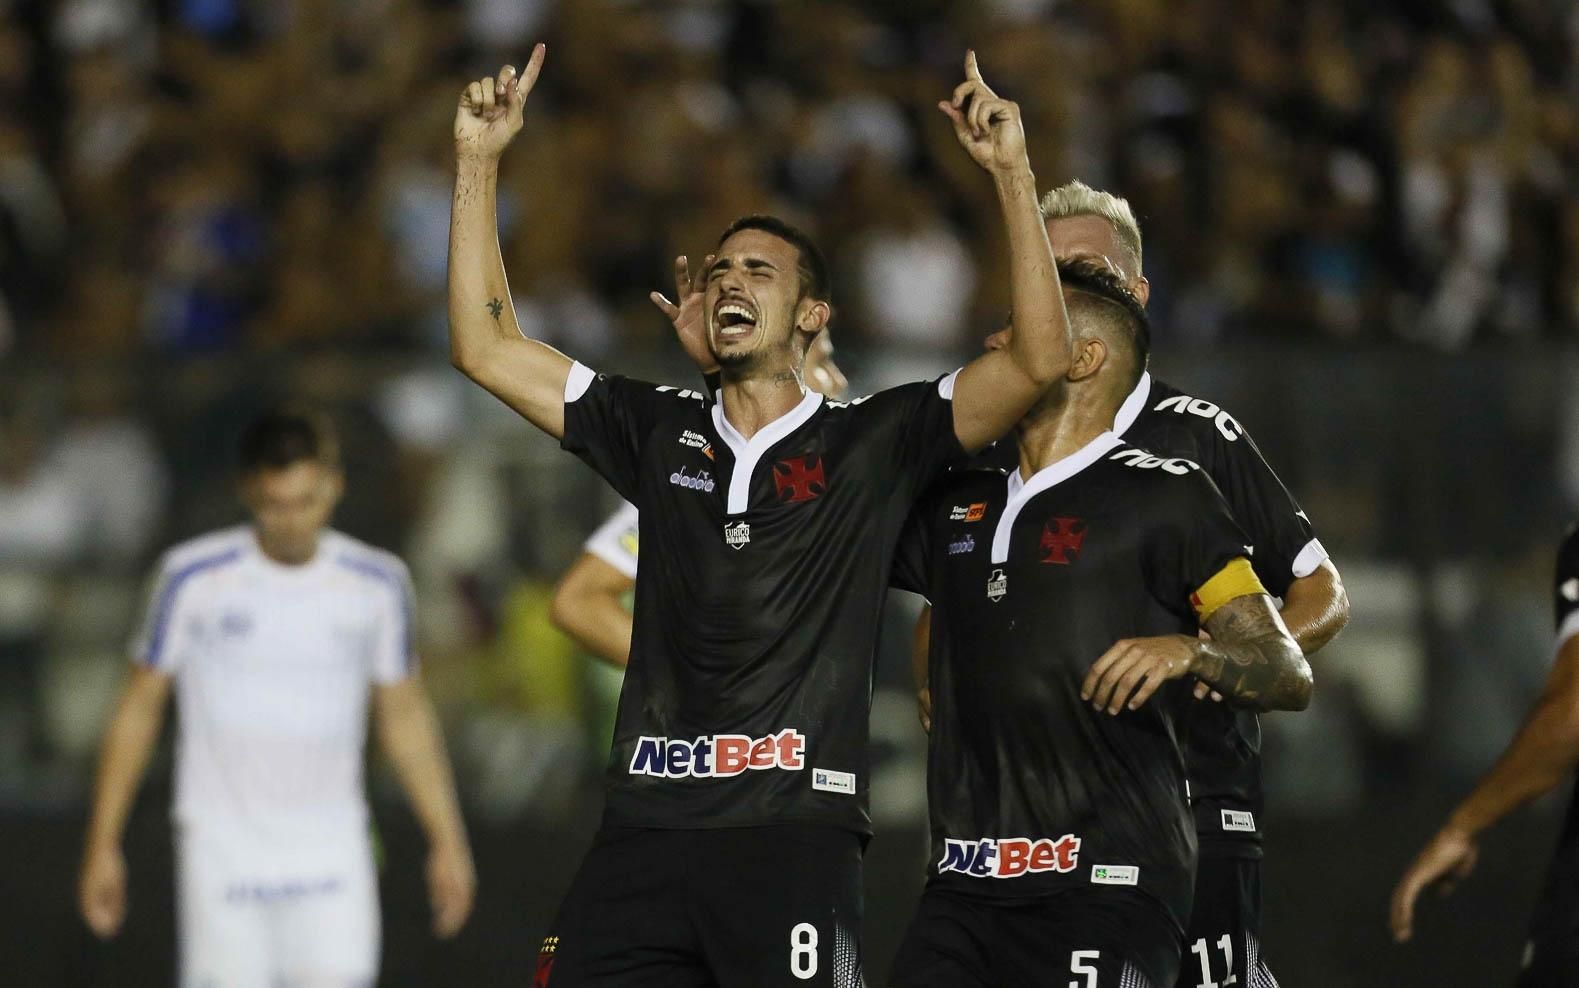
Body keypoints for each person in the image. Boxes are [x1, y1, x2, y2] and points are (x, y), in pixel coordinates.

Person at [448, 46, 1070, 987]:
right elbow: (487, 347)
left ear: (812, 315)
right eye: (724, 268)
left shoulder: (874, 438)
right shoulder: (653, 429)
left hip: (789, 839)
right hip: (644, 831)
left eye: (762, 271)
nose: (734, 280)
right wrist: (479, 159)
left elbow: (1035, 360)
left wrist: (1012, 175)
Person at [913, 180, 1350, 988]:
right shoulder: (992, 447)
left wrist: (1207, 653)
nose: (1057, 286)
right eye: (1045, 269)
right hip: (1022, 835)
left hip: (1188, 797)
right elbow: (955, 584)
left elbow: (1318, 592)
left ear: (1134, 295)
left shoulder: (1194, 438)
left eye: (1084, 269)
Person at [77, 409, 474, 987]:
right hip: (222, 846)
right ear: (247, 491)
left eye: (306, 500)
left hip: (333, 847)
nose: (291, 521)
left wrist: (447, 840)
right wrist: (103, 843)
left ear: (333, 486)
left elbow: (405, 716)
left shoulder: (378, 583)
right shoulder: (191, 578)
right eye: (274, 504)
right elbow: (138, 709)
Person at [551, 331, 847, 667]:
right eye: (823, 362)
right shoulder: (694, 474)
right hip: (679, 716)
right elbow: (578, 602)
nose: (838, 381)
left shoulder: (816, 482)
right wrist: (699, 684)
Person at [1390, 525, 1579, 986]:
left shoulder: (1508, 606)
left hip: (1500, 787)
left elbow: (1573, 709)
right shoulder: (1498, 607)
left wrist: (1464, 825)